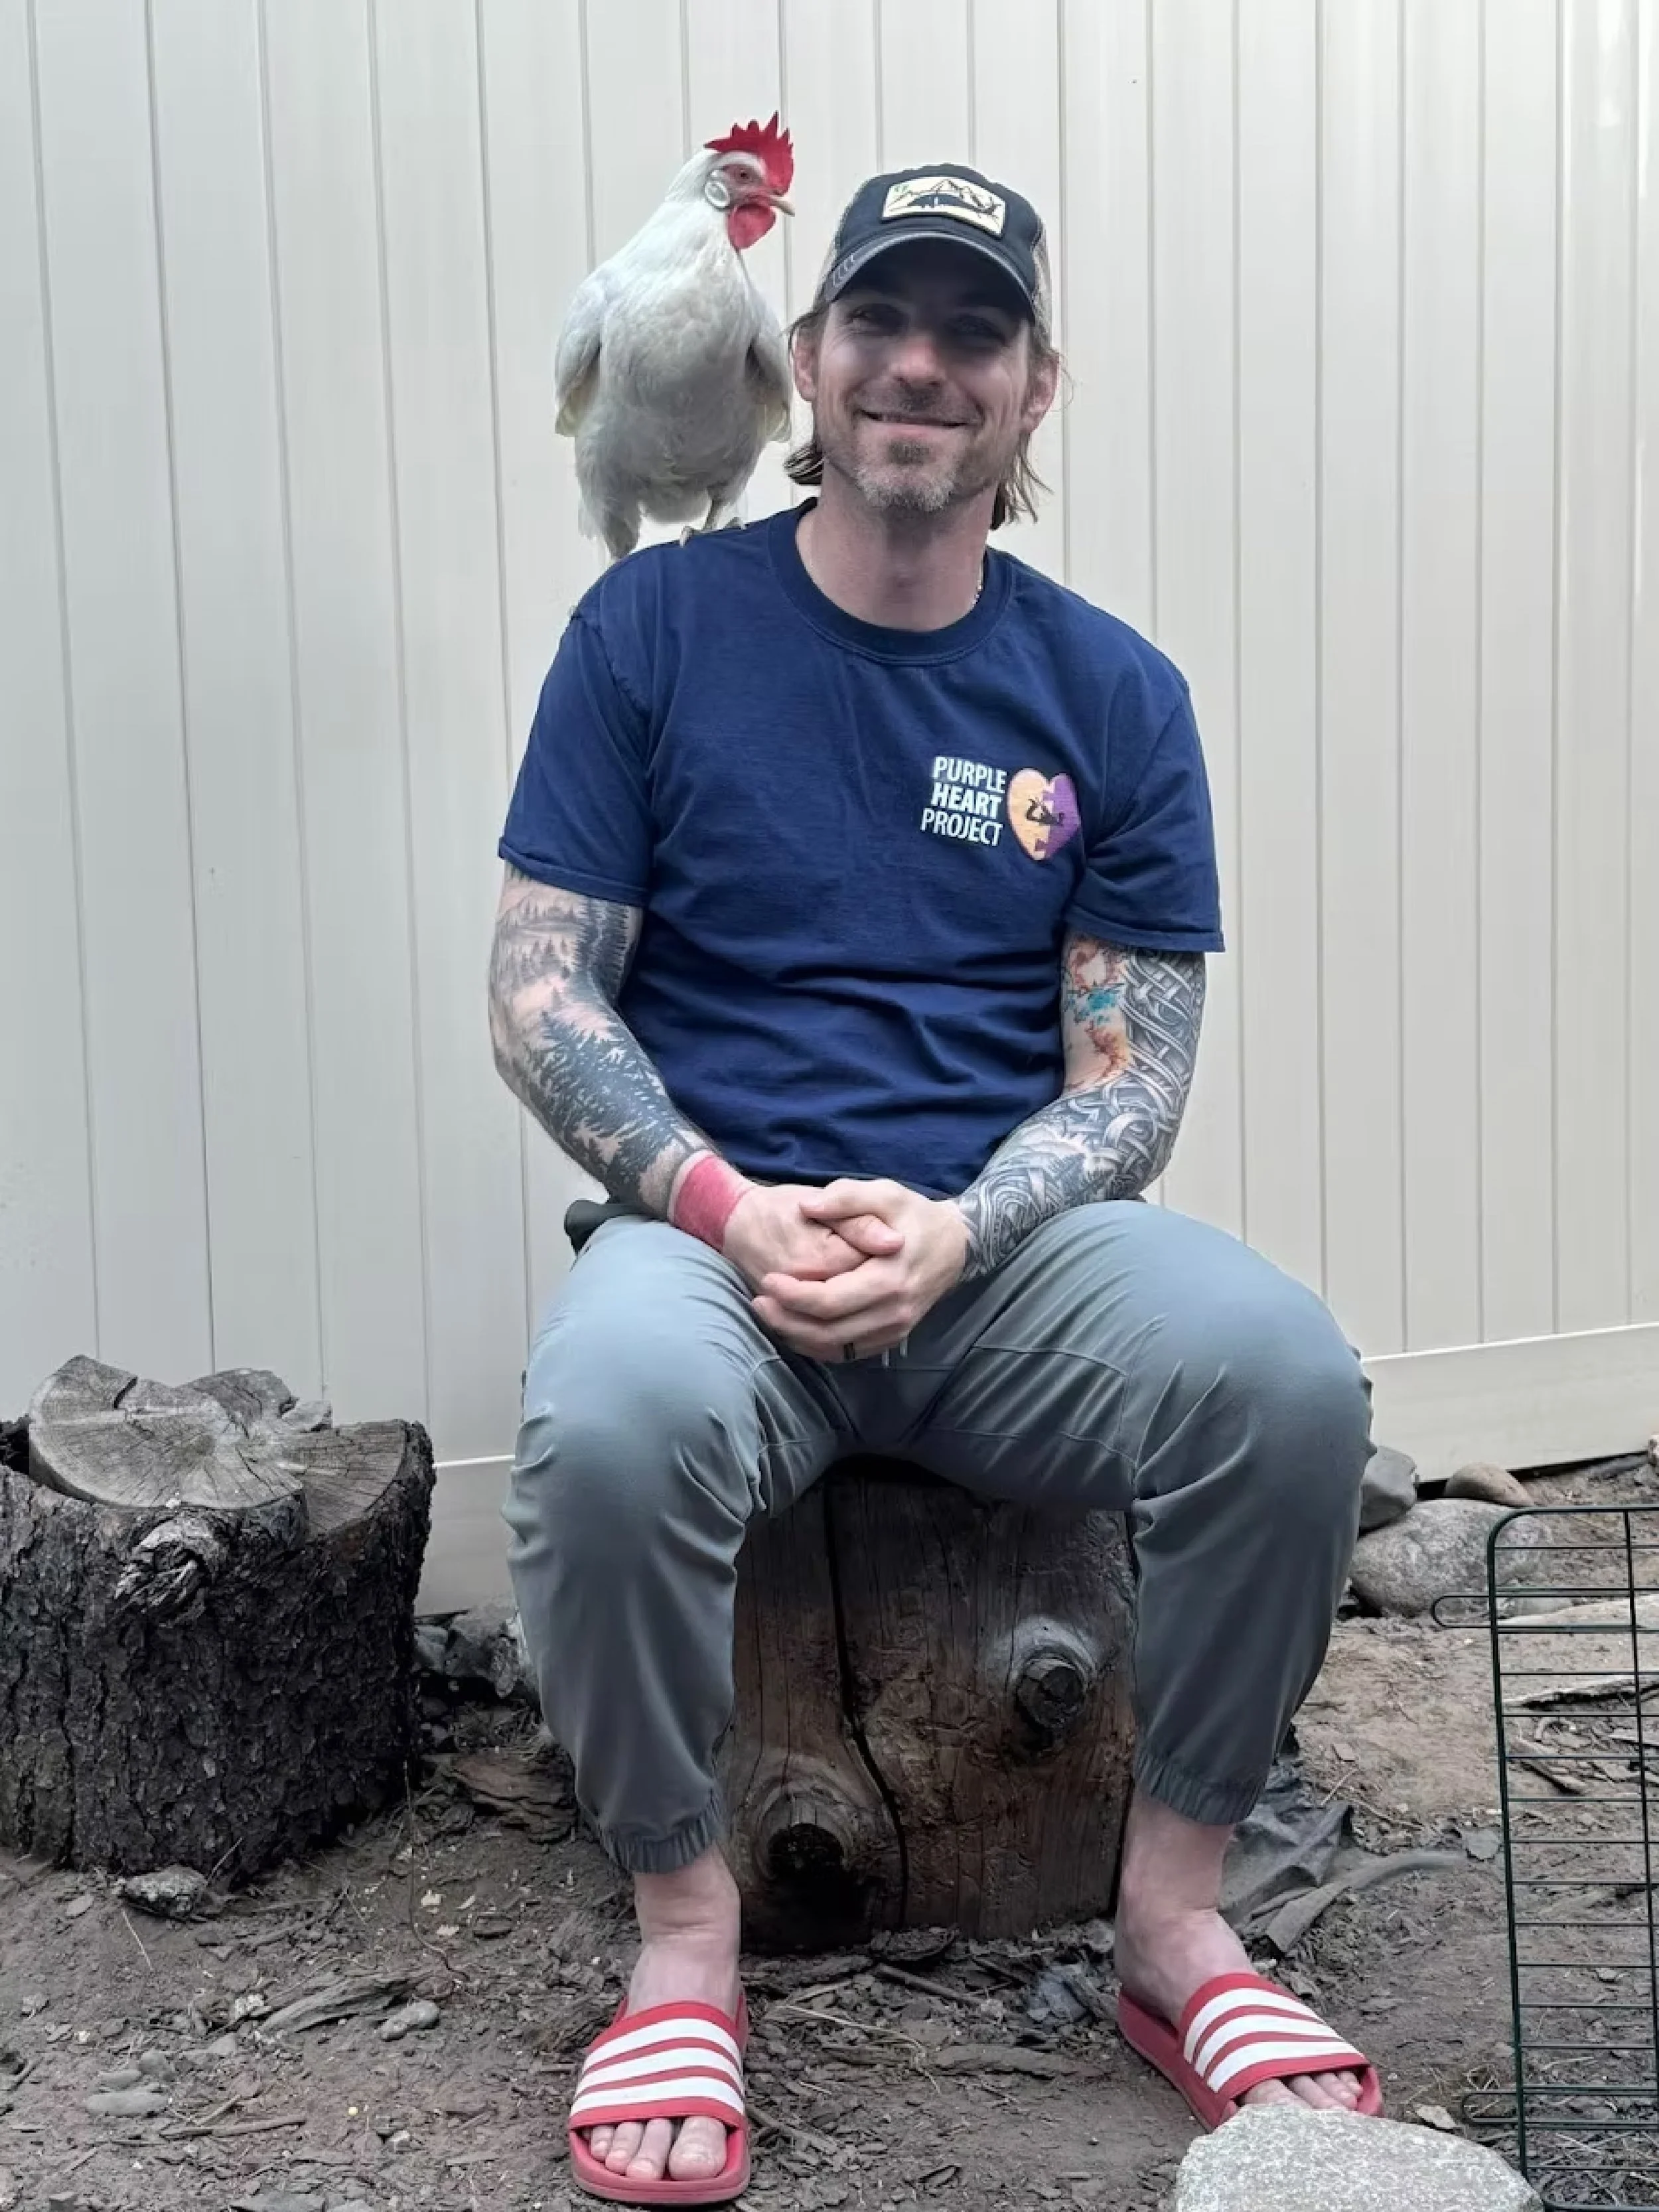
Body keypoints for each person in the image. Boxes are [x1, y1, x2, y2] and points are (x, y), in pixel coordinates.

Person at [490, 162, 1380, 2205]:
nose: (919, 364)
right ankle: (685, 1934)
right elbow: (539, 988)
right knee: (606, 1421)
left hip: (997, 1256)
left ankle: (1171, 1922)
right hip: (718, 1236)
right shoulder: (650, 626)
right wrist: (720, 1204)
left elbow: (1129, 1083)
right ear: (803, 361)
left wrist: (963, 1227)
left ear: (1031, 389)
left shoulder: (1113, 698)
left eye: (970, 332)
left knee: (1286, 1381)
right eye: (879, 322)